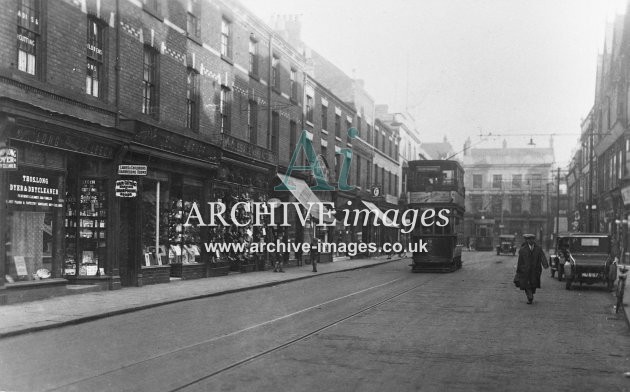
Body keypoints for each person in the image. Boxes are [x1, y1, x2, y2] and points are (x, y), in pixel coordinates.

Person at [515, 234, 549, 304]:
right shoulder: (522, 250)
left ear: (534, 240)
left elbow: (542, 256)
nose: (530, 240)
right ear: (526, 240)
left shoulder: (538, 248)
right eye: (529, 239)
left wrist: (545, 264)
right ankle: (530, 297)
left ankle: (531, 293)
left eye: (532, 239)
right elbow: (520, 261)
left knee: (534, 284)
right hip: (525, 270)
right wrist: (519, 271)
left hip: (535, 270)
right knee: (527, 285)